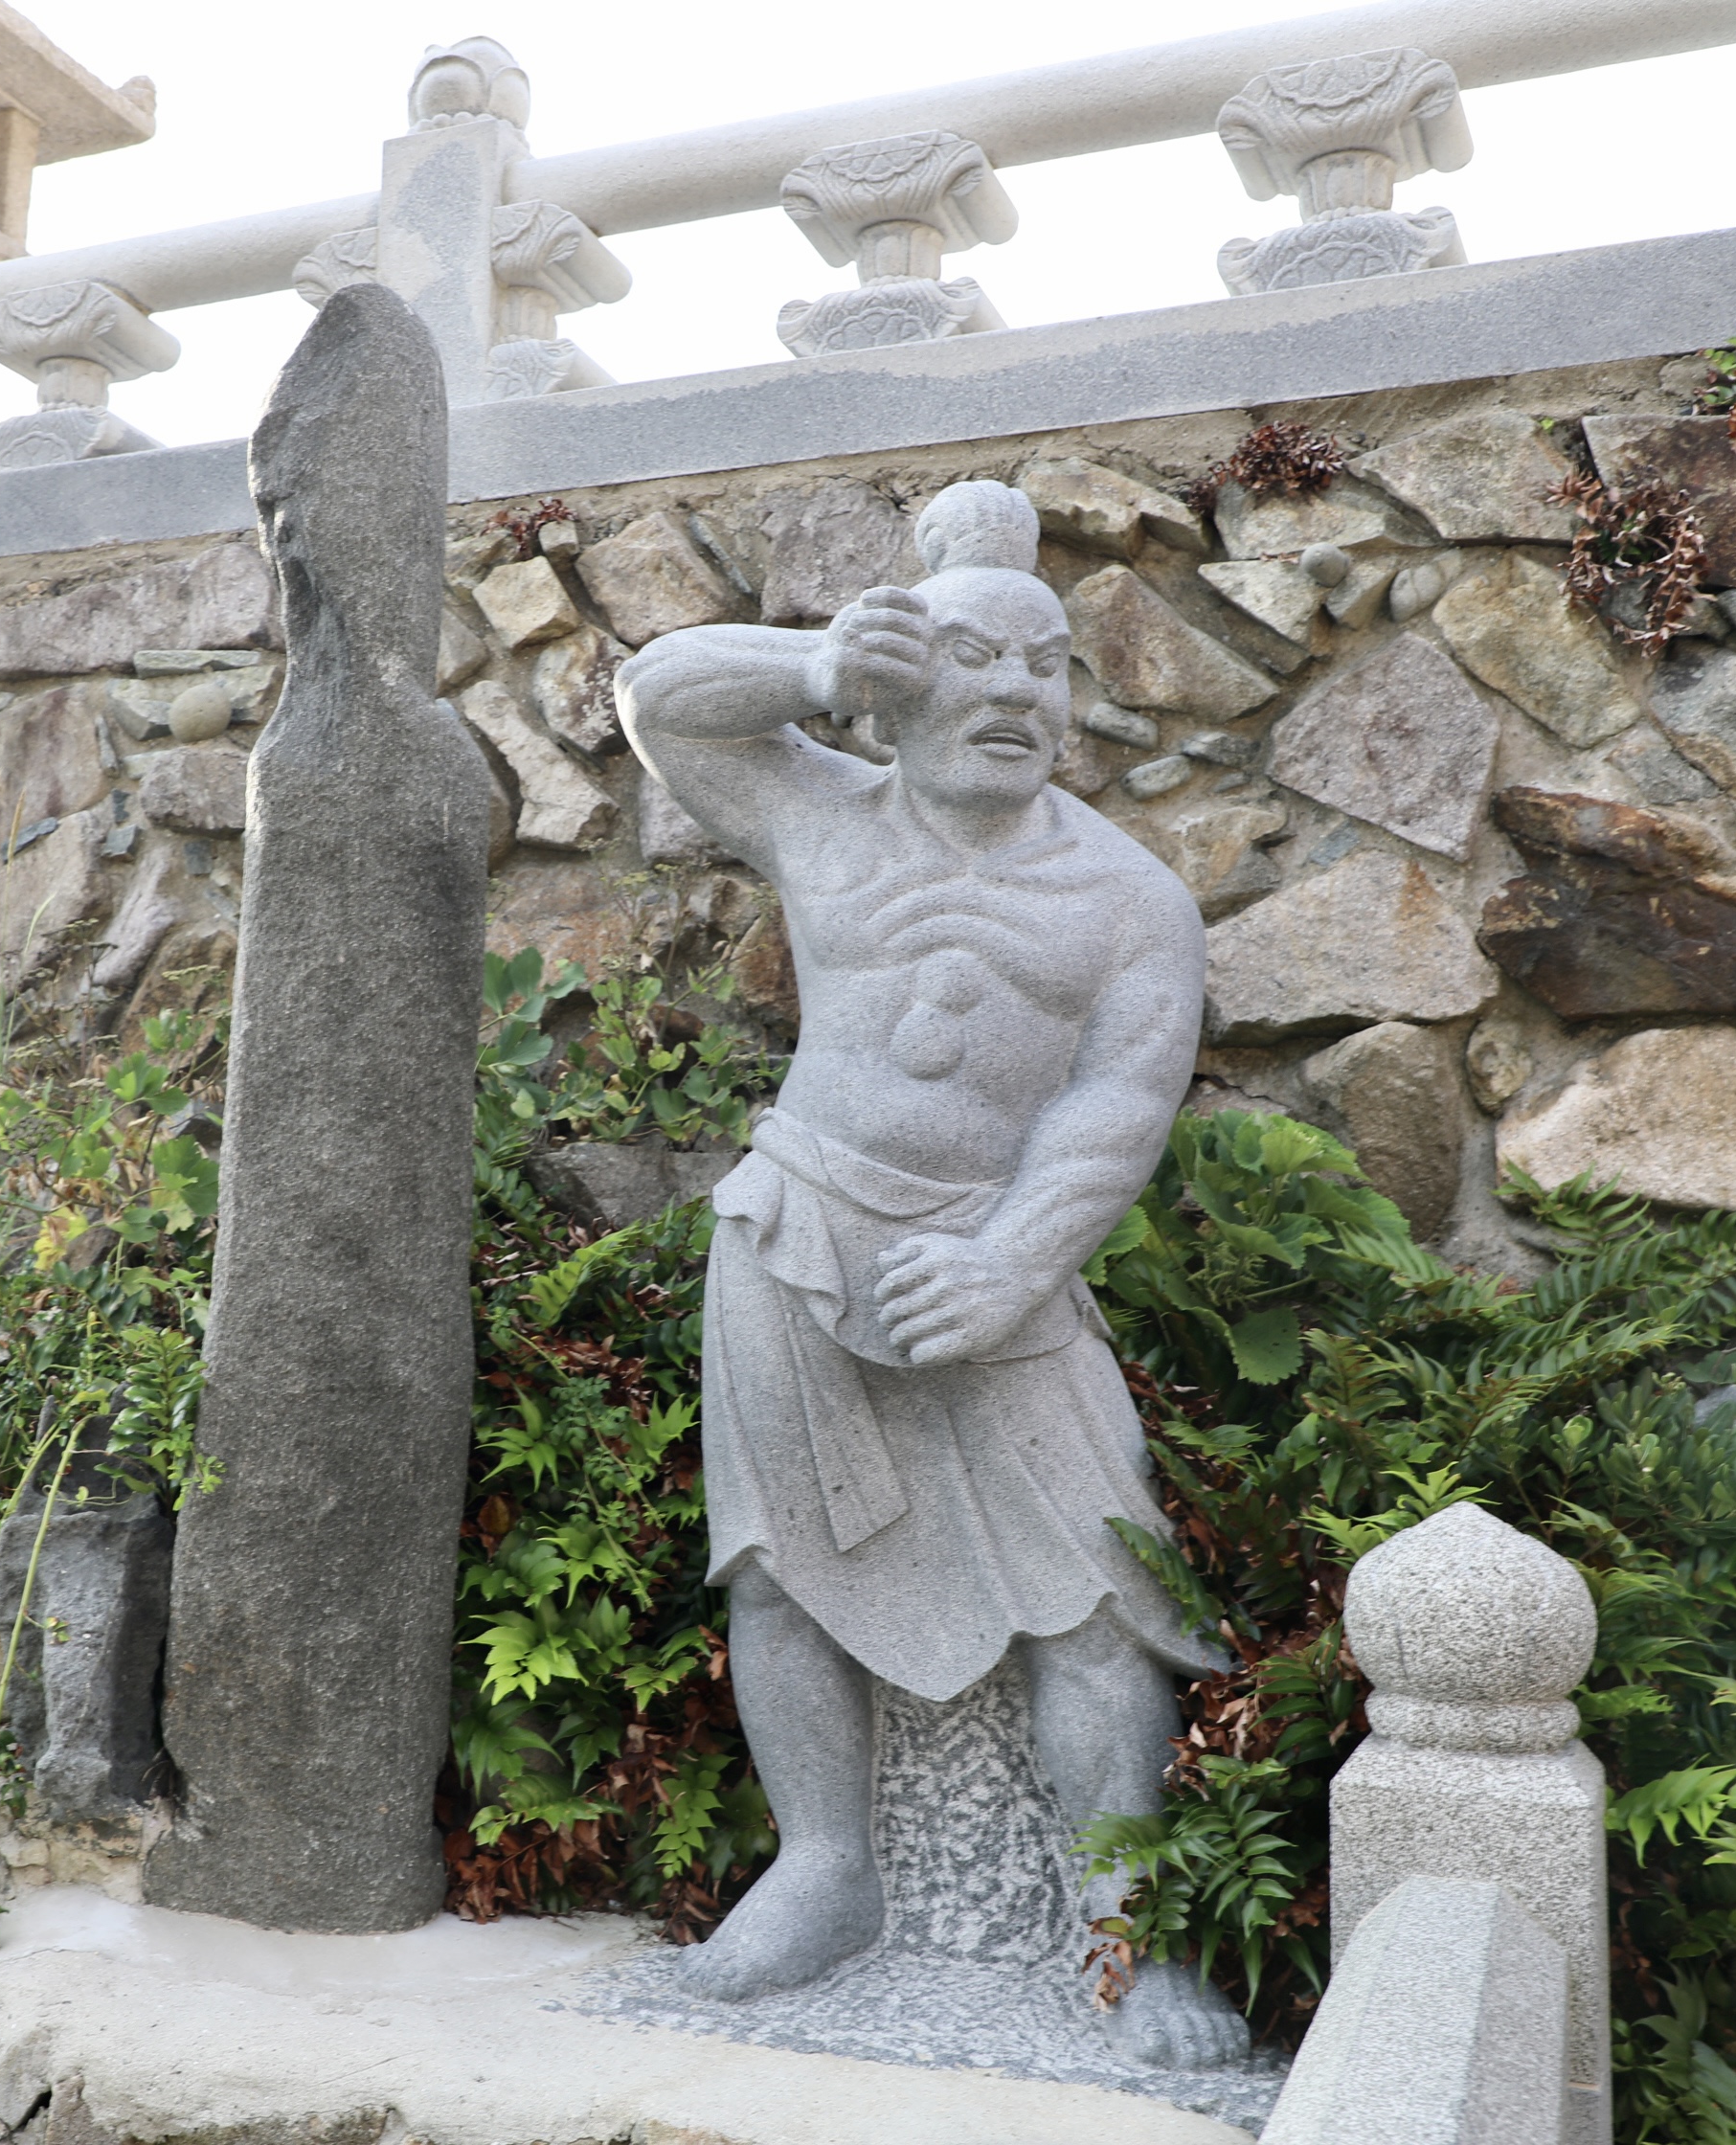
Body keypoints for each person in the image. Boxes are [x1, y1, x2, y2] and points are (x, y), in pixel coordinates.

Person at [614, 480, 1248, 2071]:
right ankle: (824, 1867)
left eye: (1046, 666)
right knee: (777, 1567)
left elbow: (1117, 1109)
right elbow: (657, 700)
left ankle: (1123, 1928)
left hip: (997, 1270)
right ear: (901, 682)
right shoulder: (820, 809)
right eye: (975, 658)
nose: (1017, 692)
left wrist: (1008, 1267)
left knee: (1098, 1592)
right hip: (800, 1228)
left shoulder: (1128, 898)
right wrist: (814, 665)